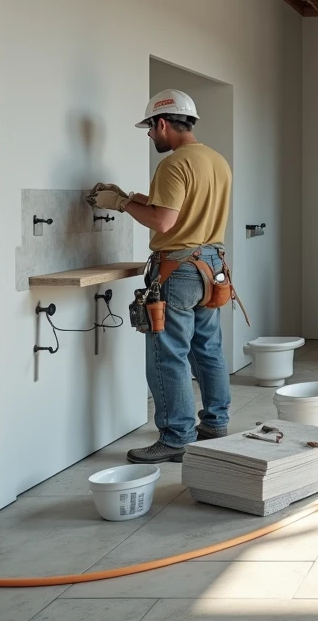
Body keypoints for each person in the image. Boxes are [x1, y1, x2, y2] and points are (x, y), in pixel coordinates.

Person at [89, 89, 233, 463]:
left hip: (179, 269)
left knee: (168, 354)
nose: (151, 135)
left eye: (151, 128)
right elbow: (184, 210)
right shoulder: (217, 161)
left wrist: (122, 203)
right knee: (208, 349)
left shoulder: (173, 164)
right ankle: (215, 424)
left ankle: (176, 437)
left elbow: (165, 221)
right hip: (212, 267)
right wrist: (131, 196)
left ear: (163, 123)